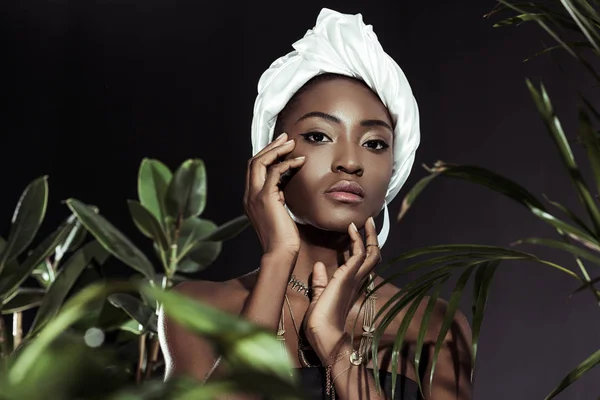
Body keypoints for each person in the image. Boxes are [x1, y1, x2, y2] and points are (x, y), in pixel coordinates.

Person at [158, 8, 472, 400]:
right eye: (320, 136)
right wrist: (278, 257)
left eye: (374, 143)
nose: (350, 161)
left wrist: (331, 341)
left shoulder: (433, 325)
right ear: (272, 155)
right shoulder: (198, 307)